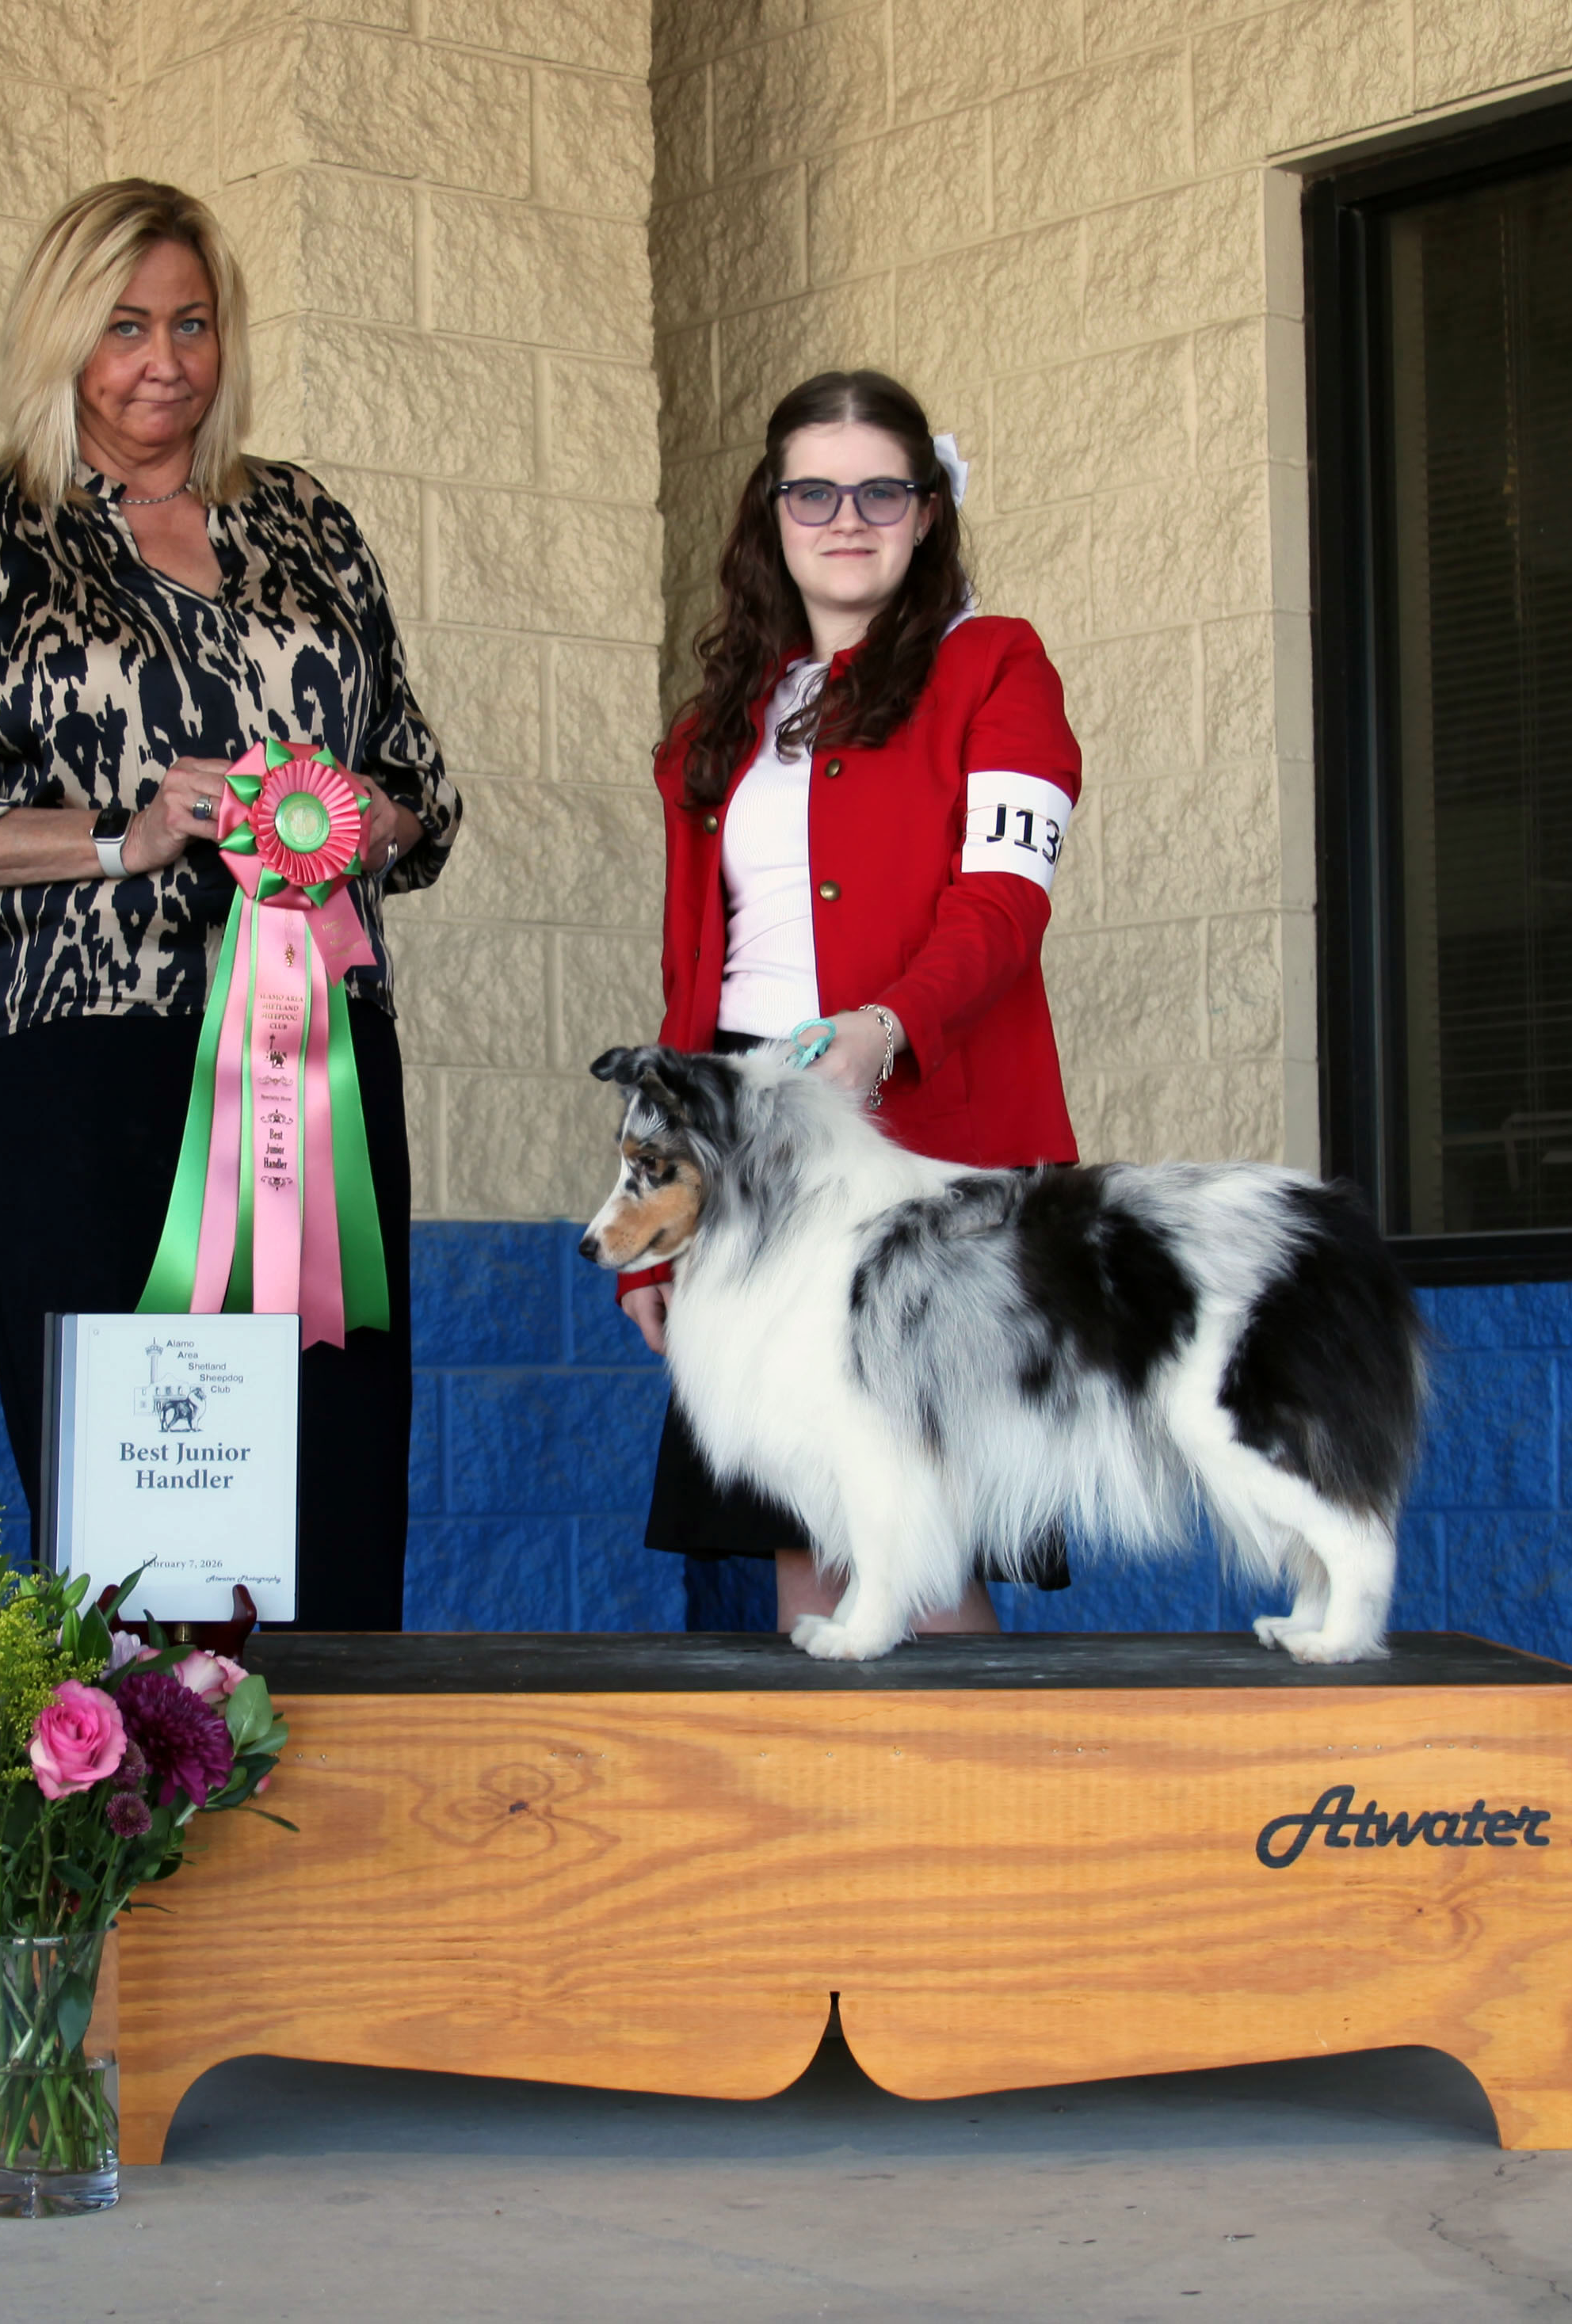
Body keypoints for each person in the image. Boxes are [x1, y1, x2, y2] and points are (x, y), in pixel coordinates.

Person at [0, 179, 459, 1630]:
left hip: (319, 1062)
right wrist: (125, 840)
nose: (165, 362)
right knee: (142, 1502)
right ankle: (140, 1776)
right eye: (126, 326)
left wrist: (370, 817)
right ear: (65, 333)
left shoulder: (308, 520)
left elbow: (421, 781)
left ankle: (335, 1774)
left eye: (193, 324)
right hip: (81, 1068)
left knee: (331, 1469)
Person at [621, 368, 1084, 1634]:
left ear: (928, 510)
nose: (846, 518)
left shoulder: (997, 667)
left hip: (935, 1159)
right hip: (750, 1159)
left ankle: (982, 1780)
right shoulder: (714, 728)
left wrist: (886, 1026)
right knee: (808, 1544)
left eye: (881, 490)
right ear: (770, 511)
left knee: (919, 1539)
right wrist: (656, 1206)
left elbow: (1004, 903)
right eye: (813, 492)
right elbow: (689, 990)